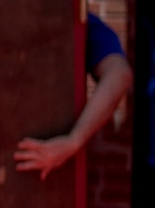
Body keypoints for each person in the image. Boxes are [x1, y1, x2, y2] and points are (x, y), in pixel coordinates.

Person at [14, 11, 133, 179]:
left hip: (46, 166)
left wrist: (74, 140)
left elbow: (119, 74)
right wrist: (75, 139)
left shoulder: (75, 12)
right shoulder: (69, 10)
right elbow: (120, 74)